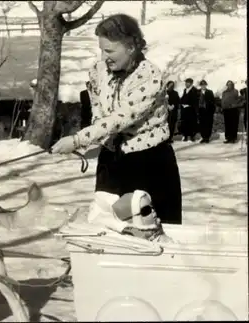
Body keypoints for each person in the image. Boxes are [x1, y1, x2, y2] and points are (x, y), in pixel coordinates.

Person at [51, 13, 182, 225]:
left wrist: (77, 139)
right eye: (101, 50)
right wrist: (102, 141)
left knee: (148, 229)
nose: (104, 57)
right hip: (112, 161)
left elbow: (119, 118)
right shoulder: (99, 71)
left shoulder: (149, 77)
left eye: (110, 50)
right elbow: (98, 110)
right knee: (107, 225)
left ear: (131, 47)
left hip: (147, 164)